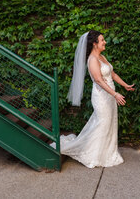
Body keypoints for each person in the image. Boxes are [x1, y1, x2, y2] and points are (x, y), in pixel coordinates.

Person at [51, 30, 135, 168]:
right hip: (102, 97)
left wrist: (125, 85)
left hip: (110, 95)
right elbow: (99, 80)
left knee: (109, 124)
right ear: (95, 44)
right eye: (102, 40)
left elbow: (112, 74)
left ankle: (107, 153)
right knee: (102, 123)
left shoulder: (102, 57)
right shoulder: (92, 60)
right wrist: (115, 94)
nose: (105, 42)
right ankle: (93, 155)